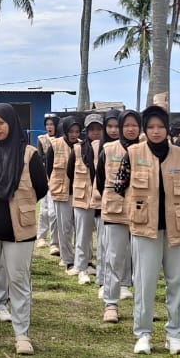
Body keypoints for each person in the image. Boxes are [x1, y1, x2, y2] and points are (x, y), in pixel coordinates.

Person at [114, 106, 180, 355]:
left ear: (167, 128)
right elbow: (120, 184)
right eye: (151, 127)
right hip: (144, 227)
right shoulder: (132, 152)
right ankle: (143, 334)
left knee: (177, 282)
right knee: (145, 282)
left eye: (160, 126)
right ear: (144, 129)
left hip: (176, 229)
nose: (156, 131)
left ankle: (175, 334)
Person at [0, 104, 48, 356]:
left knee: (19, 281)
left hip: (19, 230)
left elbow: (41, 188)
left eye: (1, 123)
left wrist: (21, 206)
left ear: (12, 124)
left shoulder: (29, 154)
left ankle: (21, 334)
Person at [98, 110, 139, 323]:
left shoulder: (145, 149)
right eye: (127, 125)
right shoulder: (108, 149)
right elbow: (99, 179)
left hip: (142, 212)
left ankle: (142, 305)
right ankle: (111, 303)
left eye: (135, 125)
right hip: (115, 211)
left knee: (141, 260)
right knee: (113, 258)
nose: (130, 129)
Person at [68, 113, 104, 283]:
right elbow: (69, 172)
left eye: (98, 129)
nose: (95, 132)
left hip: (103, 199)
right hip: (83, 199)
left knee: (104, 238)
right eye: (92, 129)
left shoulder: (108, 148)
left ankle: (102, 271)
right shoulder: (78, 149)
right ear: (86, 131)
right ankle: (81, 268)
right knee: (82, 236)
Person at [48, 117, 76, 269]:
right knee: (64, 227)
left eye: (77, 131)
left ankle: (80, 259)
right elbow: (49, 169)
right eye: (71, 131)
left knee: (78, 227)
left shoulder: (81, 146)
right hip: (61, 191)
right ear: (65, 130)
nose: (74, 134)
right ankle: (67, 258)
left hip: (79, 192)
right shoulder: (55, 145)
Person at [34, 114, 59, 253]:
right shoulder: (42, 139)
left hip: (59, 177)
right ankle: (41, 237)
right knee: (44, 209)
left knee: (53, 211)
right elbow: (40, 156)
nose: (49, 127)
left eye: (52, 124)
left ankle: (55, 241)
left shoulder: (62, 140)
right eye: (47, 124)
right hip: (45, 176)